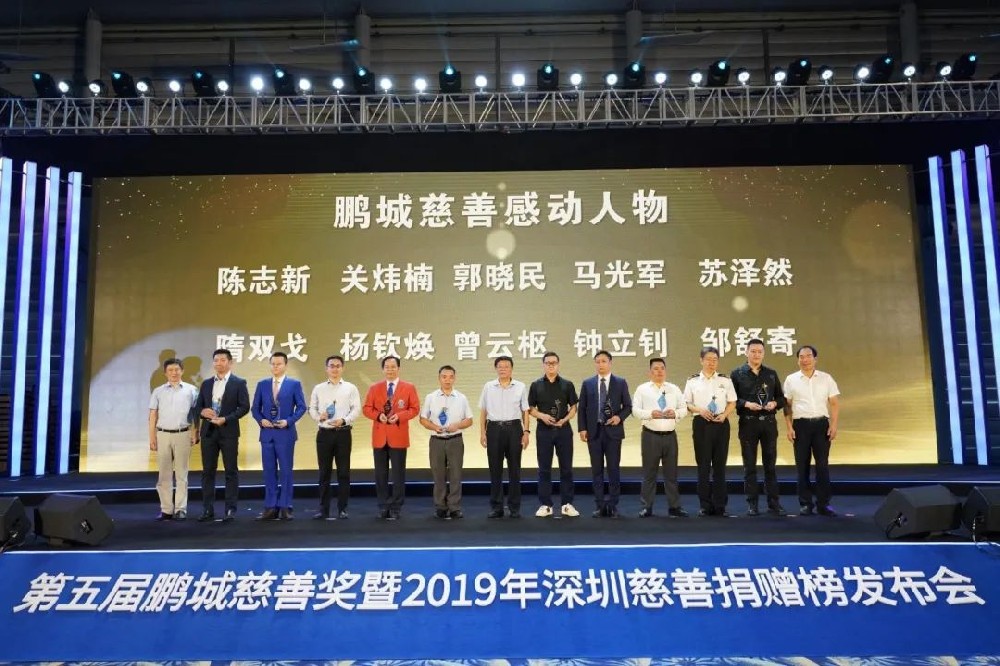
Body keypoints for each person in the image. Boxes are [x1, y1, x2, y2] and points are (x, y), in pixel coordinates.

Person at [730, 338, 787, 516]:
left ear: (764, 354)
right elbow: (731, 400)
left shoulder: (771, 373)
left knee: (770, 465)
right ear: (746, 352)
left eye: (759, 352)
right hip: (748, 423)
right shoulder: (737, 374)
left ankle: (773, 503)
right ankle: (752, 504)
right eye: (753, 351)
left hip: (768, 423)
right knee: (749, 466)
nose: (756, 354)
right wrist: (746, 404)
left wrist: (774, 404)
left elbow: (781, 398)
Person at [783, 345, 841, 517]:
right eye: (801, 357)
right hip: (800, 425)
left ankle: (823, 504)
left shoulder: (826, 378)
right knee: (802, 466)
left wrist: (834, 425)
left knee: (822, 466)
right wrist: (789, 427)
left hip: (821, 425)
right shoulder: (791, 379)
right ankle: (805, 504)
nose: (805, 359)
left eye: (808, 356)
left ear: (815, 359)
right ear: (798, 360)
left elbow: (834, 403)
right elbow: (787, 406)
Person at [250, 352, 307, 521]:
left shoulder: (294, 384)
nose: (275, 366)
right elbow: (255, 409)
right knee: (269, 472)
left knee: (286, 472)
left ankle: (285, 506)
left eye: (279, 364)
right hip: (267, 434)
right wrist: (261, 420)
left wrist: (288, 421)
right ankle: (270, 506)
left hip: (285, 434)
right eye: (273, 364)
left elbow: (302, 407)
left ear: (285, 365)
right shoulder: (262, 384)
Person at [195, 348, 250, 522]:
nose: (219, 363)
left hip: (229, 432)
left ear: (230, 362)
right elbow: (198, 407)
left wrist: (226, 418)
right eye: (216, 360)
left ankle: (230, 509)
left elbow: (244, 407)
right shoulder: (206, 384)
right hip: (208, 432)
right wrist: (203, 411)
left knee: (230, 471)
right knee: (207, 472)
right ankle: (207, 509)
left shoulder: (238, 383)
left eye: (222, 360)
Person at [362, 355, 419, 520]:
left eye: (393, 367)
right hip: (380, 437)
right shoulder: (374, 388)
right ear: (383, 369)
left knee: (398, 474)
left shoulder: (409, 387)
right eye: (387, 367)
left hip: (398, 436)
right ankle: (383, 506)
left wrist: (399, 416)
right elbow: (366, 408)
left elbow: (414, 409)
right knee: (380, 475)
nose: (390, 370)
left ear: (398, 368)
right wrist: (378, 416)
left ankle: (396, 507)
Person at [683, 347, 737, 517]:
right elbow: (687, 403)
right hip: (701, 423)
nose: (712, 362)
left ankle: (720, 505)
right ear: (701, 360)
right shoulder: (692, 381)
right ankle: (705, 505)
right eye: (708, 359)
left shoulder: (725, 380)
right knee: (703, 466)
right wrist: (700, 410)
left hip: (720, 423)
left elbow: (732, 402)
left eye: (715, 359)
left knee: (720, 466)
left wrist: (724, 415)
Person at [577, 350, 632, 518]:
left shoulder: (620, 382)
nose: (600, 364)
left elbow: (628, 406)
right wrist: (582, 428)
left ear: (610, 363)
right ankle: (600, 505)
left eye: (603, 361)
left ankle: (613, 505)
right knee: (597, 470)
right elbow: (582, 408)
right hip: (594, 432)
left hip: (613, 432)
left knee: (613, 469)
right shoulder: (588, 383)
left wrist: (619, 417)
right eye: (597, 361)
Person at [632, 357, 688, 518]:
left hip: (670, 436)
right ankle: (646, 507)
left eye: (662, 368)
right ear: (650, 372)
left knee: (671, 474)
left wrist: (675, 413)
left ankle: (674, 507)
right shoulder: (642, 389)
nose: (659, 371)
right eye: (656, 369)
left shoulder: (673, 389)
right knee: (649, 473)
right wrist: (650, 414)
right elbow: (635, 410)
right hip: (650, 436)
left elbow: (684, 408)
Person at [308, 355, 361, 520]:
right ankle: (323, 509)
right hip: (324, 434)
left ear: (342, 368)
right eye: (331, 366)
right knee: (324, 473)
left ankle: (342, 508)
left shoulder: (350, 388)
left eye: (338, 366)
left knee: (343, 472)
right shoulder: (318, 388)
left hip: (343, 433)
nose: (335, 369)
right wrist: (319, 417)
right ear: (326, 369)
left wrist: (344, 420)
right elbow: (312, 409)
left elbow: (356, 409)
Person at [528, 352, 579, 518]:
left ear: (558, 364)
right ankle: (546, 504)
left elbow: (574, 407)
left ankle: (567, 504)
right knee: (544, 469)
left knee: (566, 468)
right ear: (543, 365)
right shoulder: (536, 385)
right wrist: (542, 416)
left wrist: (565, 419)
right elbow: (530, 409)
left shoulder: (567, 384)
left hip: (564, 430)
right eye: (548, 363)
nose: (551, 365)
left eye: (554, 363)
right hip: (544, 431)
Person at [147, 357, 199, 521]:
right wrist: (152, 436)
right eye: (170, 370)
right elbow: (153, 415)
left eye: (177, 370)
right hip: (163, 434)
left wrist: (195, 432)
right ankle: (166, 510)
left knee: (182, 474)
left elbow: (196, 414)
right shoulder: (158, 391)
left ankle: (181, 509)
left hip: (183, 434)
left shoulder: (191, 390)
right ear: (165, 373)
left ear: (182, 371)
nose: (174, 373)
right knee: (164, 475)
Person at [419, 365, 474, 520]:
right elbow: (423, 419)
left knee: (456, 475)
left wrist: (457, 425)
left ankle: (454, 507)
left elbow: (469, 420)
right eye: (444, 377)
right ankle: (440, 507)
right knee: (438, 475)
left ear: (454, 378)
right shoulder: (431, 397)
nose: (447, 380)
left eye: (450, 377)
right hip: (436, 440)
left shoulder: (461, 398)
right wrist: (434, 427)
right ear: (439, 378)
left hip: (455, 439)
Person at [479, 356, 530, 519]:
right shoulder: (488, 386)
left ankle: (514, 507)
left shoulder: (520, 386)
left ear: (511, 369)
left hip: (514, 428)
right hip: (494, 429)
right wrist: (482, 432)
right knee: (495, 469)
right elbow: (483, 411)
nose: (503, 369)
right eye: (500, 366)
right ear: (496, 369)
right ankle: (497, 507)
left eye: (506, 366)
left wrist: (526, 432)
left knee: (515, 469)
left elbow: (525, 411)